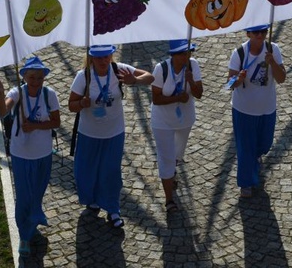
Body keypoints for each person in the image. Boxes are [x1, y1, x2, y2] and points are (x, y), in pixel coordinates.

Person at [68, 44, 154, 228]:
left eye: (107, 56)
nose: (103, 61)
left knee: (111, 172)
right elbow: (71, 105)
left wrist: (134, 80)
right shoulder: (84, 76)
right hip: (88, 133)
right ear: (91, 58)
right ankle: (91, 199)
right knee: (85, 171)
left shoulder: (118, 69)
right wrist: (82, 103)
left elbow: (150, 77)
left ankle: (113, 209)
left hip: (114, 133)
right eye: (99, 58)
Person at [0, 57, 61, 258]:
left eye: (39, 77)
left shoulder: (49, 95)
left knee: (37, 192)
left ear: (44, 77)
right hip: (21, 155)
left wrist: (35, 125)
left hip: (43, 154)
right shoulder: (16, 93)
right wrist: (1, 94)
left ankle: (32, 222)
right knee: (24, 196)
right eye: (31, 77)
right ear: (25, 77)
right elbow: (3, 111)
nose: (35, 81)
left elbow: (56, 122)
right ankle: (24, 235)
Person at [226, 25, 286, 198]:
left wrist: (273, 62)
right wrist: (238, 79)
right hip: (244, 109)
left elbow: (281, 79)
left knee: (265, 144)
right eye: (256, 33)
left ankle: (256, 156)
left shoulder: (273, 50)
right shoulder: (239, 53)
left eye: (264, 32)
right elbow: (230, 83)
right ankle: (246, 182)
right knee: (245, 148)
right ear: (248, 34)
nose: (261, 36)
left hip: (267, 108)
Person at [150, 39, 204, 212]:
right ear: (173, 55)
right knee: (166, 158)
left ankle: (172, 172)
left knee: (176, 156)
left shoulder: (193, 66)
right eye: (182, 53)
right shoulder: (161, 69)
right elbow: (156, 99)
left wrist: (192, 81)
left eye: (189, 52)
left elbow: (199, 94)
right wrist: (176, 98)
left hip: (184, 120)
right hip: (162, 122)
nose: (187, 56)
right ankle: (169, 200)